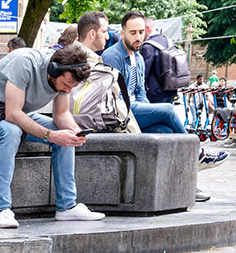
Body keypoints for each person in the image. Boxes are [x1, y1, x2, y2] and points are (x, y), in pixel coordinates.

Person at [0, 44, 105, 228]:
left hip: (16, 111)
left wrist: (74, 132)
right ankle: (0, 210)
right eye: (65, 85)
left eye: (71, 88)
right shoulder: (25, 63)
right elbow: (12, 114)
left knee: (65, 136)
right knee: (13, 130)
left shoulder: (65, 75)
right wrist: (50, 135)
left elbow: (61, 114)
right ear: (52, 70)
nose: (67, 91)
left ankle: (67, 206)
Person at [101, 10, 227, 200]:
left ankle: (188, 185)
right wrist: (150, 110)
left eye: (141, 32)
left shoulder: (139, 57)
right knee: (168, 110)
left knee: (166, 131)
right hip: (122, 114)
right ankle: (197, 153)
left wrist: (150, 111)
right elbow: (116, 99)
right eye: (133, 32)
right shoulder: (112, 56)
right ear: (122, 33)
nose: (138, 37)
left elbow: (141, 94)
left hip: (137, 111)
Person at [71, 10, 140, 133]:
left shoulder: (75, 58)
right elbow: (116, 108)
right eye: (104, 32)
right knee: (167, 115)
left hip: (92, 129)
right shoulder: (93, 68)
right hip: (110, 132)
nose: (107, 37)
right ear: (92, 34)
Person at [140, 17, 178, 104]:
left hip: (155, 94)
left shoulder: (148, 46)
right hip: (171, 91)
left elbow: (143, 72)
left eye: (141, 31)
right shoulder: (170, 42)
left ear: (147, 28)